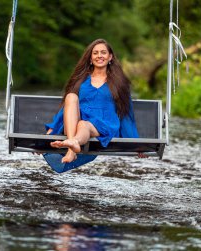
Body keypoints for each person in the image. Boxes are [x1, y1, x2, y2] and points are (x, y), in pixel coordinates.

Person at [44, 38, 141, 170]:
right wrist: (47, 137)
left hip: (104, 124)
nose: (99, 56)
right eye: (95, 53)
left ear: (110, 57)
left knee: (84, 125)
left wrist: (137, 144)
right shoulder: (81, 80)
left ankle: (72, 149)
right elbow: (66, 110)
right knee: (71, 97)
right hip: (76, 124)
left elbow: (126, 112)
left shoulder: (119, 82)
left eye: (103, 52)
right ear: (90, 58)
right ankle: (73, 144)